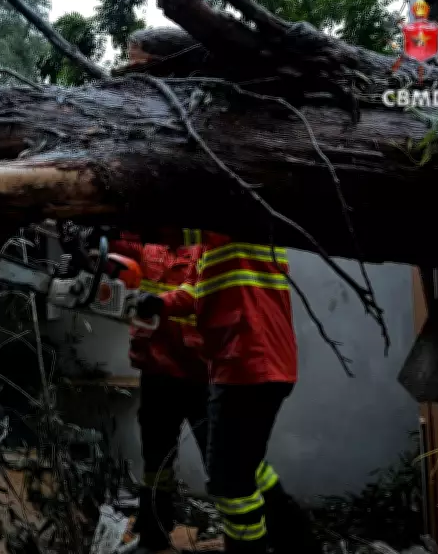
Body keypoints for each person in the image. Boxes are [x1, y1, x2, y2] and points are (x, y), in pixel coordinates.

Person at [136, 231, 319, 554]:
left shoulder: (229, 223)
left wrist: (114, 215)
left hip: (247, 364)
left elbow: (171, 224)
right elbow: (194, 293)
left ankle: (272, 543)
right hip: (236, 365)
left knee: (230, 480)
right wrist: (159, 303)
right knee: (240, 470)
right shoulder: (213, 246)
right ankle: (297, 542)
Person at [107, 228, 209, 553]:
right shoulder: (151, 246)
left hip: (200, 373)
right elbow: (122, 244)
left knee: (218, 458)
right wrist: (98, 227)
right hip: (158, 370)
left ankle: (249, 534)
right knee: (156, 461)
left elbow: (198, 295)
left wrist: (159, 303)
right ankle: (153, 530)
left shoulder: (204, 250)